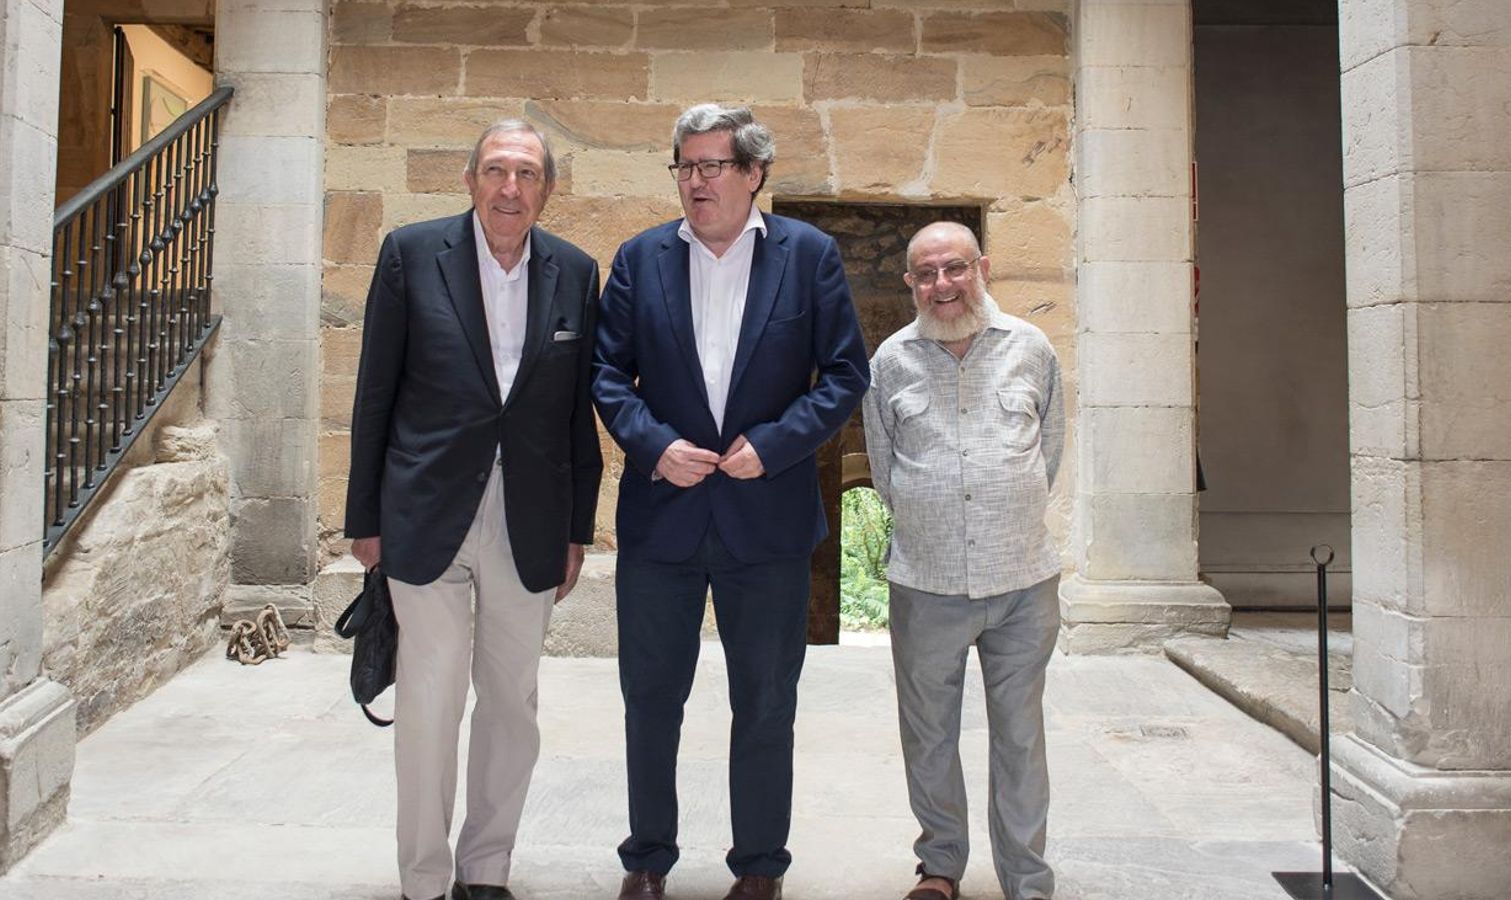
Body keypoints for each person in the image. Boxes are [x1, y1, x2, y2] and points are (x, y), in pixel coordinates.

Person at [592, 103, 869, 900]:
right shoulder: (639, 258)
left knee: (766, 700)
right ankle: (648, 858)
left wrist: (775, 444)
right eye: (684, 166)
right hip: (663, 517)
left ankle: (758, 867)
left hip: (767, 518)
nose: (695, 181)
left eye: (712, 166)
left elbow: (845, 374)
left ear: (754, 173)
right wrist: (654, 444)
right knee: (650, 698)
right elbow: (607, 373)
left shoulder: (807, 255)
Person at [344, 119, 603, 900]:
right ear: (470, 181)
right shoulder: (411, 253)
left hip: (530, 514)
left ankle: (485, 870)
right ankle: (424, 879)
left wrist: (577, 530)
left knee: (512, 701)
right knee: (431, 697)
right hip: (425, 508)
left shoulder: (574, 271)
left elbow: (578, 413)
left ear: (547, 189)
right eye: (496, 170)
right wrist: (365, 520)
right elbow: (375, 391)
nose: (509, 188)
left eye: (526, 174)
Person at [863, 222, 1065, 900]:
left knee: (1020, 736)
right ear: (910, 284)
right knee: (928, 735)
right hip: (927, 581)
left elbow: (1049, 451)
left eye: (954, 268)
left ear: (982, 268)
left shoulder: (1031, 348)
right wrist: (938, 515)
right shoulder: (891, 361)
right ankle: (940, 867)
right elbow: (885, 468)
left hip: (1022, 581)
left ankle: (1027, 880)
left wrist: (1004, 511)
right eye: (926, 274)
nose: (942, 285)